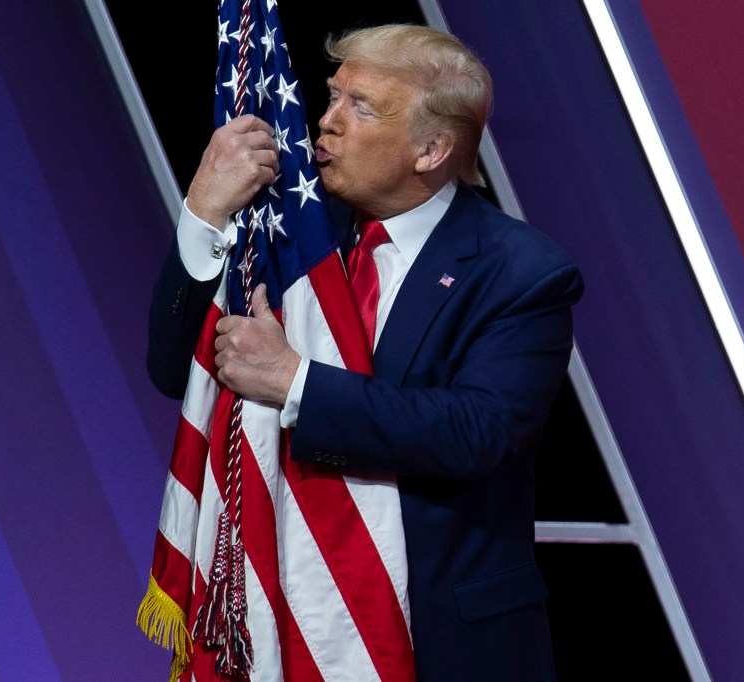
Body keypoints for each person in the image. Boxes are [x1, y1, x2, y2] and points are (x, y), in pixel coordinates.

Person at [147, 23, 583, 681]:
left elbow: (476, 433)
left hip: (440, 645)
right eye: (332, 97)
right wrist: (203, 216)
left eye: (361, 107)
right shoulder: (295, 245)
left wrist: (296, 382)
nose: (325, 123)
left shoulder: (521, 271)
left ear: (432, 148)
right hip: (281, 629)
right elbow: (170, 369)